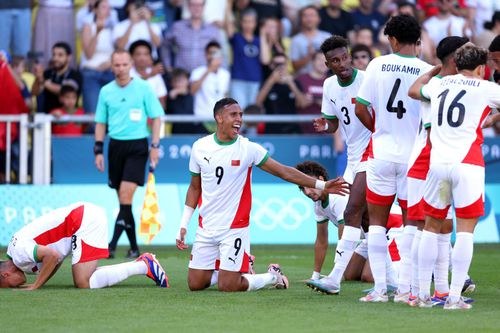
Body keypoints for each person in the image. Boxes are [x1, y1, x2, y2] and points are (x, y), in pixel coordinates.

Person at [175, 97, 350, 292]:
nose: (239, 119)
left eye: (241, 115)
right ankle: (236, 266)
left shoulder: (248, 148)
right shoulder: (200, 147)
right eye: (233, 115)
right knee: (195, 284)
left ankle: (272, 276)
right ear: (219, 118)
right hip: (205, 226)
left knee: (228, 286)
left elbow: (284, 171)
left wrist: (322, 184)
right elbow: (194, 187)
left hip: (234, 228)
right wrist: (183, 224)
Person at [408, 44, 500, 310]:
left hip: (437, 165)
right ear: (482, 68)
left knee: (431, 227)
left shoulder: (440, 84)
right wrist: (493, 118)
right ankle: (454, 297)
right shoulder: (487, 88)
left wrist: (433, 72)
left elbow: (414, 91)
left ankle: (423, 295)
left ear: (456, 65)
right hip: (467, 165)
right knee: (465, 232)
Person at [354, 14, 432, 303]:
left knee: (376, 223)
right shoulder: (427, 70)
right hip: (413, 158)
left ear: (394, 40)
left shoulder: (377, 64)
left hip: (382, 154)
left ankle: (378, 291)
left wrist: (380, 131)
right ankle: (406, 290)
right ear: (418, 40)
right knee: (412, 224)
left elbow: (361, 108)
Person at [405, 36, 470, 306]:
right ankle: (413, 290)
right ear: (455, 59)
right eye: (466, 54)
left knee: (443, 226)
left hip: (436, 162)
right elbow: (434, 133)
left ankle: (440, 290)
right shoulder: (439, 86)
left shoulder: (444, 84)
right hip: (427, 162)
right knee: (425, 226)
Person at [307, 36, 372, 295]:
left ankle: (334, 279)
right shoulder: (329, 85)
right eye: (336, 60)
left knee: (353, 211)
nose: (343, 63)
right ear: (327, 64)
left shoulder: (367, 80)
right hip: (353, 158)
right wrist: (326, 127)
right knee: (367, 219)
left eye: (345, 57)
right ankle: (393, 275)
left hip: (375, 154)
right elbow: (333, 122)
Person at [0, 202, 168, 290]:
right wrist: (40, 282)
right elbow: (54, 259)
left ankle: (144, 265)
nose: (16, 286)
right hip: (82, 216)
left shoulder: (20, 254)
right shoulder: (17, 252)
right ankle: (143, 264)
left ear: (6, 275)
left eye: (9, 285)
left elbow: (52, 256)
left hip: (82, 220)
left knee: (82, 282)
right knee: (82, 280)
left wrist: (35, 286)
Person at [94, 50, 163, 259]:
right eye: (117, 65)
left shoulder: (143, 88)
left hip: (137, 146)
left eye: (124, 64)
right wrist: (98, 149)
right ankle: (134, 248)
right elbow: (100, 122)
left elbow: (157, 117)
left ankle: (111, 246)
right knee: (124, 201)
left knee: (125, 195)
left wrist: (155, 145)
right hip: (115, 146)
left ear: (130, 64)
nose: (121, 68)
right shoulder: (106, 91)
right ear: (112, 66)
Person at [162, 0, 220, 73]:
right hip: (182, 77)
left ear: (204, 7)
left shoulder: (212, 30)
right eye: (193, 5)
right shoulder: (178, 27)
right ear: (188, 6)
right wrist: (168, 66)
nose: (196, 8)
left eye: (199, 5)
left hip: (203, 76)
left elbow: (218, 53)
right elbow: (165, 46)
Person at [224, 7, 264, 109]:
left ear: (255, 23)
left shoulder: (259, 40)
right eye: (245, 21)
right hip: (238, 79)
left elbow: (265, 60)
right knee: (238, 111)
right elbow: (228, 23)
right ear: (241, 23)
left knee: (253, 113)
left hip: (255, 80)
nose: (248, 25)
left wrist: (263, 35)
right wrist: (228, 4)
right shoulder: (237, 37)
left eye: (251, 22)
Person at [81, 0, 115, 114]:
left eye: (109, 7)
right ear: (95, 10)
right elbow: (88, 54)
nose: (108, 10)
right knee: (93, 112)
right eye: (104, 7)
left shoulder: (113, 28)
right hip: (91, 72)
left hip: (110, 72)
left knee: (113, 112)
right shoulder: (88, 26)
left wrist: (110, 63)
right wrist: (97, 32)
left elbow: (120, 51)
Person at [256, 52, 304, 134]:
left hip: (292, 129)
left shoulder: (295, 82)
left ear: (287, 65)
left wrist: (291, 84)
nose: (280, 67)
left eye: (283, 64)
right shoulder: (266, 83)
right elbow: (257, 103)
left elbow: (302, 104)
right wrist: (271, 81)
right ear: (271, 65)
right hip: (271, 129)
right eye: (277, 64)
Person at [190, 41, 231, 133]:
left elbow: (226, 96)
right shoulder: (197, 72)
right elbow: (192, 91)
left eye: (216, 53)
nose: (214, 56)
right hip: (201, 119)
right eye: (211, 53)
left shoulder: (225, 74)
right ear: (206, 55)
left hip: (220, 120)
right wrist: (209, 70)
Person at [31, 42, 82, 114]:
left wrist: (44, 82)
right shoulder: (47, 73)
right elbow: (34, 92)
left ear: (69, 57)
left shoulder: (75, 75)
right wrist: (38, 77)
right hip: (46, 119)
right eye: (53, 55)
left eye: (60, 55)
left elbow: (65, 91)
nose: (55, 58)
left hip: (67, 121)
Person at [290, 6, 330, 75]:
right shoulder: (296, 40)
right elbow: (294, 66)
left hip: (324, 79)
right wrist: (309, 56)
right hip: (303, 80)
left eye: (312, 15)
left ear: (319, 19)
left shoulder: (327, 37)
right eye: (305, 16)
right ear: (301, 19)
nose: (309, 19)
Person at [295, 51, 328, 134]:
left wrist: (314, 100)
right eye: (319, 59)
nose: (322, 63)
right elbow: (295, 103)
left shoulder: (333, 82)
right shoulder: (301, 79)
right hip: (303, 130)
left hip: (326, 132)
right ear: (312, 62)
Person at [129, 40, 167, 111]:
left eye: (146, 54)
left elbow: (161, 99)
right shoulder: (127, 73)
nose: (142, 58)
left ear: (150, 57)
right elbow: (129, 87)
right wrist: (150, 75)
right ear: (131, 56)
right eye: (138, 54)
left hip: (153, 116)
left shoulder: (156, 74)